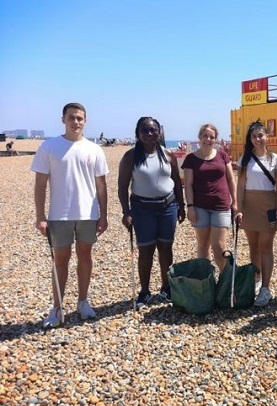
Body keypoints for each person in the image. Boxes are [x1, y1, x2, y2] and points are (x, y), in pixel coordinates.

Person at [31, 102, 109, 328]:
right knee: (60, 260)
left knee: (85, 257)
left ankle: (83, 302)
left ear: (85, 121)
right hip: (59, 215)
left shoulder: (94, 149)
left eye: (80, 118)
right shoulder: (49, 147)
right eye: (72, 118)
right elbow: (40, 184)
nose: (76, 122)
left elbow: (101, 185)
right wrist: (40, 216)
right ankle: (57, 308)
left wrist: (103, 215)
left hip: (88, 214)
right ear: (63, 119)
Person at [118, 117, 186, 308]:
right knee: (146, 250)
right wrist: (126, 212)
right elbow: (123, 187)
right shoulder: (131, 157)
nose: (149, 134)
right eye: (145, 130)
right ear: (138, 133)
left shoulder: (168, 155)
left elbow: (176, 182)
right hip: (142, 209)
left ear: (160, 132)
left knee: (166, 248)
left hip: (168, 206)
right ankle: (145, 291)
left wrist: (182, 206)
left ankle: (166, 287)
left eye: (153, 130)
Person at [236, 120, 277, 307]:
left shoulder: (275, 159)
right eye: (254, 136)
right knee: (253, 246)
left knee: (266, 246)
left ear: (267, 136)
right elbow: (240, 185)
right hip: (249, 204)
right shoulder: (244, 159)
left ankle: (266, 287)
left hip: (268, 204)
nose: (257, 139)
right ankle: (256, 279)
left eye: (260, 135)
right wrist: (239, 209)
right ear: (250, 139)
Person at [182, 124, 237, 271]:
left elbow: (231, 179)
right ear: (200, 137)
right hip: (200, 207)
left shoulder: (222, 156)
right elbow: (188, 184)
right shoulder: (191, 159)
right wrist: (190, 207)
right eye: (205, 136)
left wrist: (235, 202)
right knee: (203, 246)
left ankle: (225, 281)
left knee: (219, 247)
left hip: (221, 205)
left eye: (212, 137)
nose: (208, 139)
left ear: (216, 139)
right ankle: (207, 283)